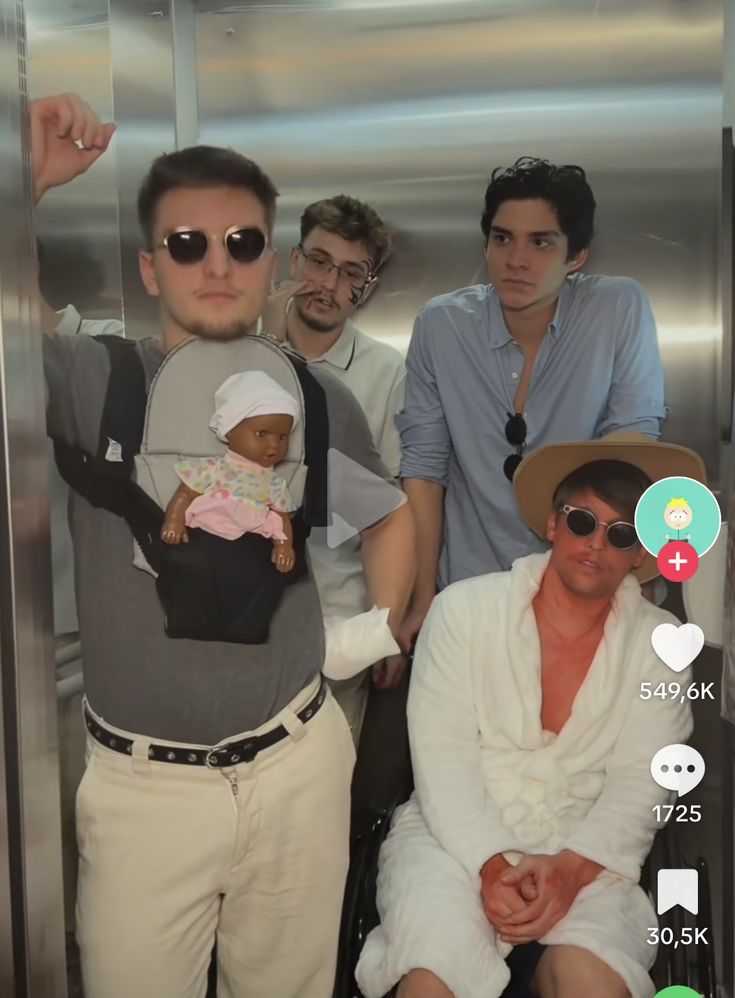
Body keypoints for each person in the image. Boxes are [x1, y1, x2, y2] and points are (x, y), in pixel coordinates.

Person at [34, 94, 414, 998]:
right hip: (142, 792)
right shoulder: (96, 377)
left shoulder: (317, 399)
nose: (216, 263)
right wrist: (28, 187)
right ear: (150, 265)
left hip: (297, 768)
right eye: (186, 243)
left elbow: (388, 515)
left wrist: (370, 636)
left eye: (241, 242)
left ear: (268, 261)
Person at [355, 434, 705, 998]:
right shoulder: (463, 610)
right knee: (430, 980)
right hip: (451, 838)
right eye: (582, 521)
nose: (596, 545)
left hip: (590, 850)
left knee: (592, 984)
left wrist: (571, 870)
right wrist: (490, 864)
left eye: (620, 535)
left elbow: (645, 782)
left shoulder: (662, 643)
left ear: (640, 554)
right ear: (552, 524)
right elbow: (443, 764)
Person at [398, 157, 667, 653]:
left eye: (541, 242)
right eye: (503, 238)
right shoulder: (441, 325)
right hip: (471, 595)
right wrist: (422, 599)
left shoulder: (618, 309)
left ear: (577, 255)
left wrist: (634, 579)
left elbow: (631, 452)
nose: (516, 259)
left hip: (586, 592)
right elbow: (424, 469)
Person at [263, 194, 407, 740]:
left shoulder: (384, 372)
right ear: (294, 260)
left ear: (365, 288)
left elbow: (396, 507)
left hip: (338, 623)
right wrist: (269, 342)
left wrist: (386, 624)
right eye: (320, 262)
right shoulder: (239, 346)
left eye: (350, 273)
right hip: (235, 622)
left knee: (325, 807)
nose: (329, 284)